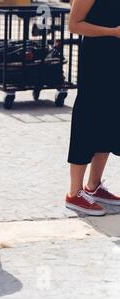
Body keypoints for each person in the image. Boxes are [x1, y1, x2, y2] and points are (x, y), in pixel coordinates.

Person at [65, 0, 120, 216]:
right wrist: (113, 32)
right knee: (87, 119)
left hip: (115, 61)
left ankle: (93, 186)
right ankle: (74, 192)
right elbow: (74, 25)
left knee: (109, 119)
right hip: (96, 61)